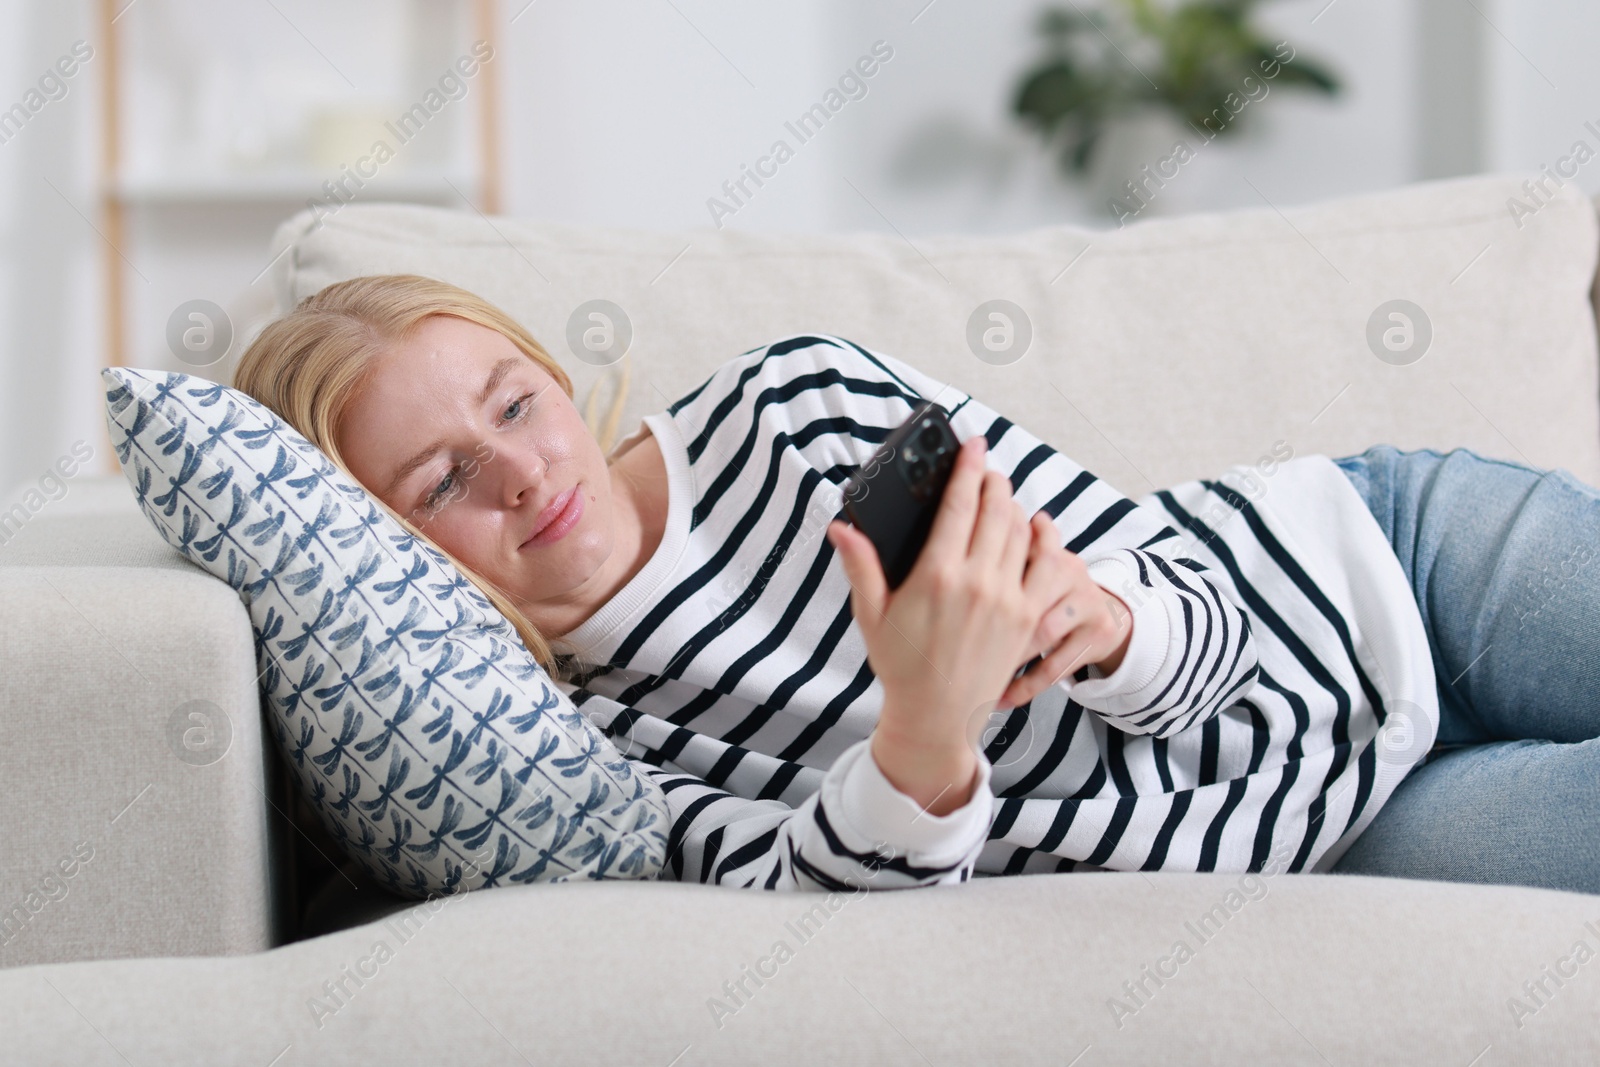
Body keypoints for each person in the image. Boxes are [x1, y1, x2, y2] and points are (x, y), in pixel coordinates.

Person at [234, 274, 1600, 897]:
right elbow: (814, 904)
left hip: (1376, 569)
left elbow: (1208, 613)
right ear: (383, 555)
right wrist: (923, 743)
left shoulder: (794, 405)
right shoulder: (581, 750)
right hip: (1325, 826)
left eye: (516, 401)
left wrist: (1104, 623)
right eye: (442, 484)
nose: (524, 473)